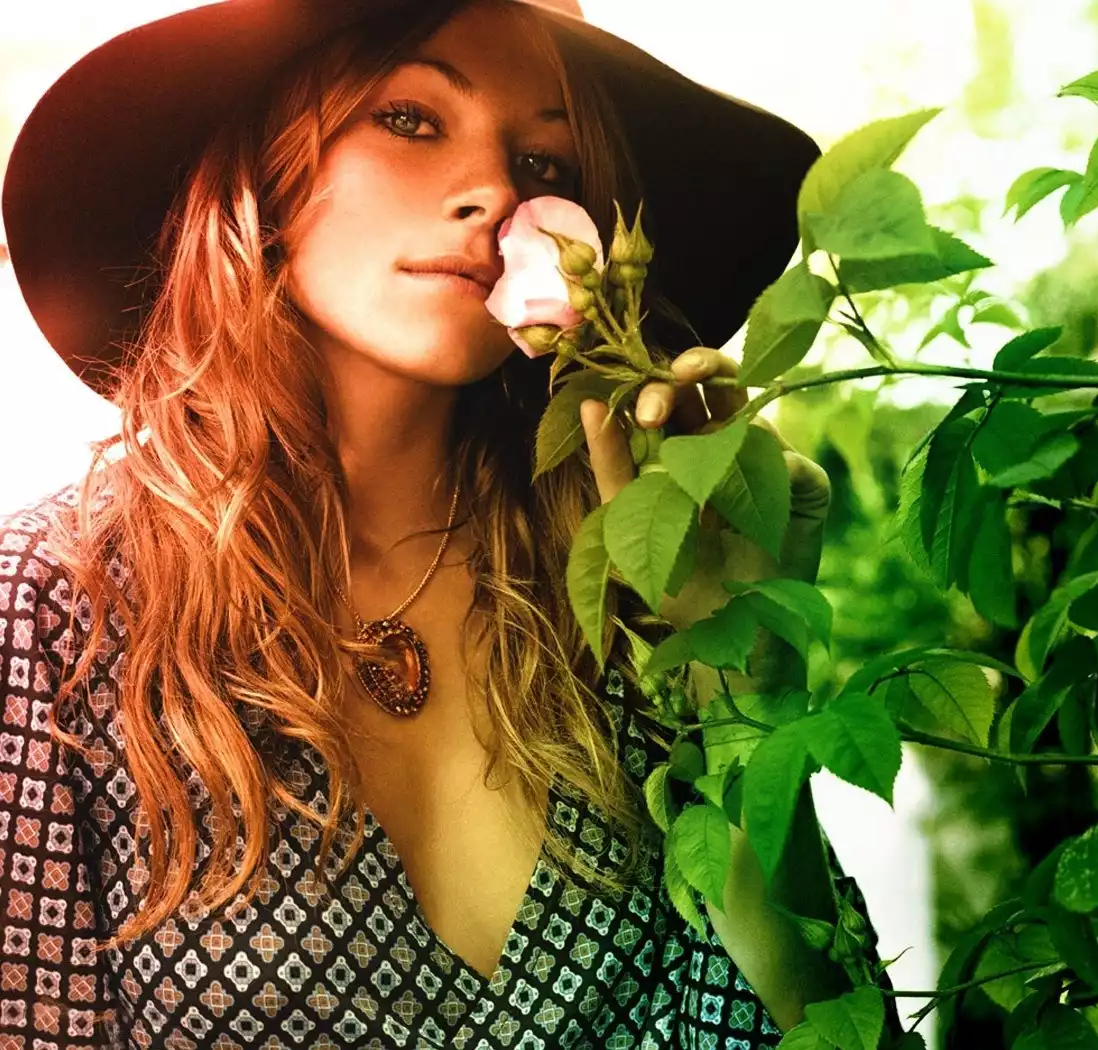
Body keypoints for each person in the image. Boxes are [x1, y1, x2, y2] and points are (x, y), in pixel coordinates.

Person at [0, 0, 900, 1045]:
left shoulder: (621, 594)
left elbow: (832, 1027)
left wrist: (746, 685)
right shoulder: (53, 610)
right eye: (413, 119)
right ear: (267, 166)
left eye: (547, 166)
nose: (495, 192)